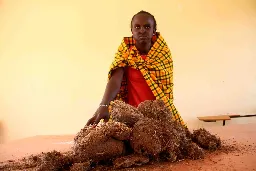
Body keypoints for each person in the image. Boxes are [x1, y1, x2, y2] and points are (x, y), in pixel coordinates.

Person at [86, 10, 185, 126]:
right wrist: (104, 105)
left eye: (147, 27)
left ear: (154, 30)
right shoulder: (126, 52)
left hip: (158, 117)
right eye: (137, 27)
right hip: (132, 117)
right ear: (132, 31)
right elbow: (115, 79)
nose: (142, 30)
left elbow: (166, 92)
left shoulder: (162, 54)